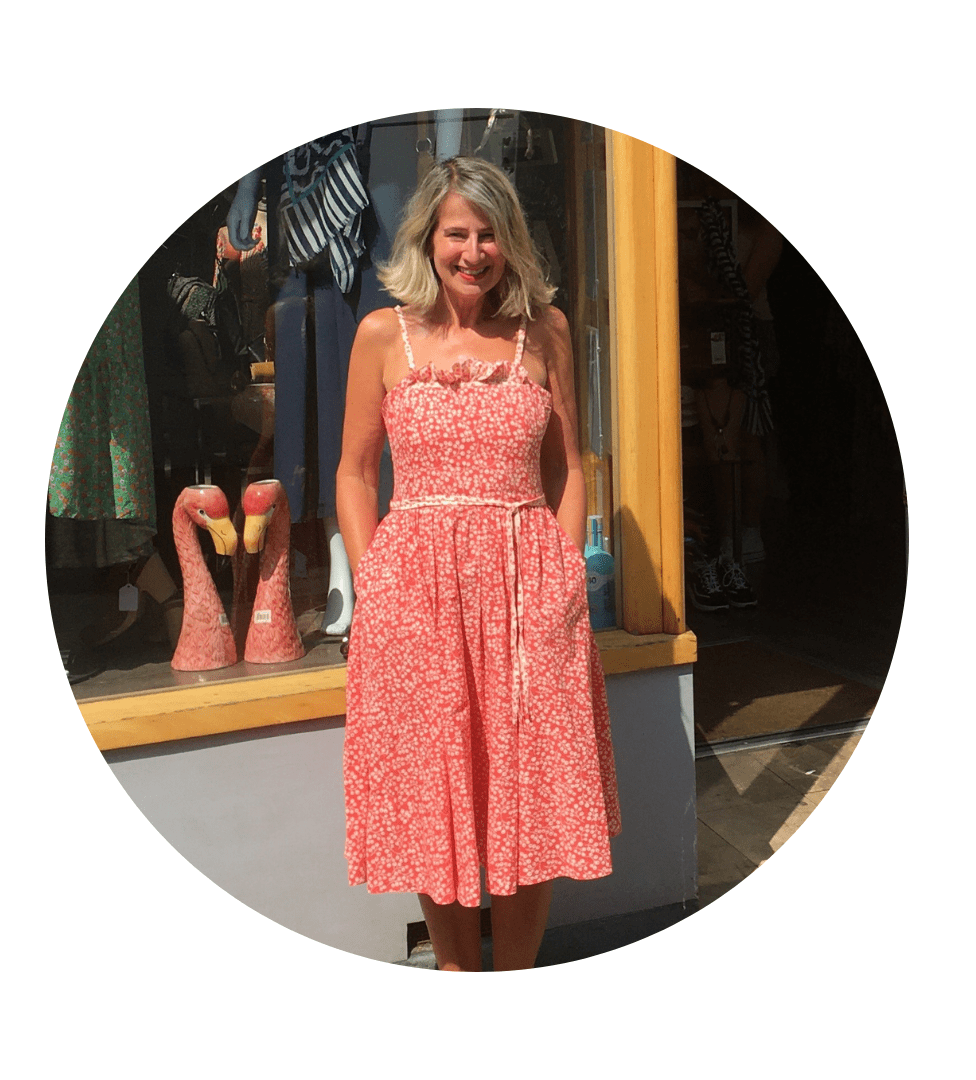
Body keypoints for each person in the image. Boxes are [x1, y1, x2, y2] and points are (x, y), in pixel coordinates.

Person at [336, 157, 620, 972]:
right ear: (427, 238)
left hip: (532, 593)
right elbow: (355, 472)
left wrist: (564, 572)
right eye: (456, 232)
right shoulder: (382, 335)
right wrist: (375, 579)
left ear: (511, 241)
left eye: (489, 233)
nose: (473, 250)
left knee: (529, 791)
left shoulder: (549, 329)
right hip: (416, 595)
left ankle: (516, 976)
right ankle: (459, 974)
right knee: (438, 790)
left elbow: (570, 465)